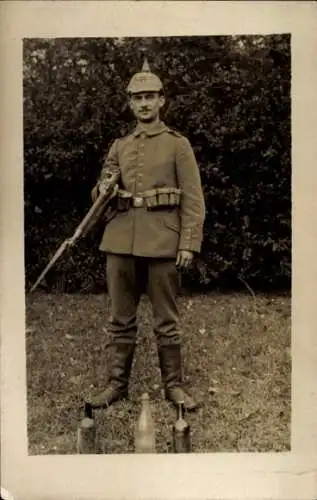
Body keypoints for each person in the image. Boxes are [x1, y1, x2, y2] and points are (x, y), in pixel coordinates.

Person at [86, 59, 205, 412]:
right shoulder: (120, 145)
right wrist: (103, 187)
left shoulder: (177, 144)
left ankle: (175, 388)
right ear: (130, 103)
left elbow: (194, 199)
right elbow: (99, 197)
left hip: (163, 241)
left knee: (166, 319)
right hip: (120, 240)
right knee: (120, 318)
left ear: (162, 100)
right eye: (137, 98)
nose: (144, 104)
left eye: (150, 96)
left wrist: (188, 243)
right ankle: (116, 386)